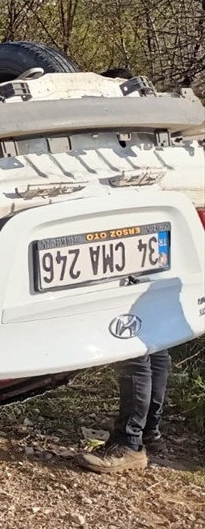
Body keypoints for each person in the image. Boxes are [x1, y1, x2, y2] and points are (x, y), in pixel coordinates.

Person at [77, 63, 167, 474]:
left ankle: (128, 443)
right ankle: (148, 433)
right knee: (156, 342)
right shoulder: (155, 130)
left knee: (130, 344)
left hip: (127, 243)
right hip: (161, 242)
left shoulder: (110, 135)